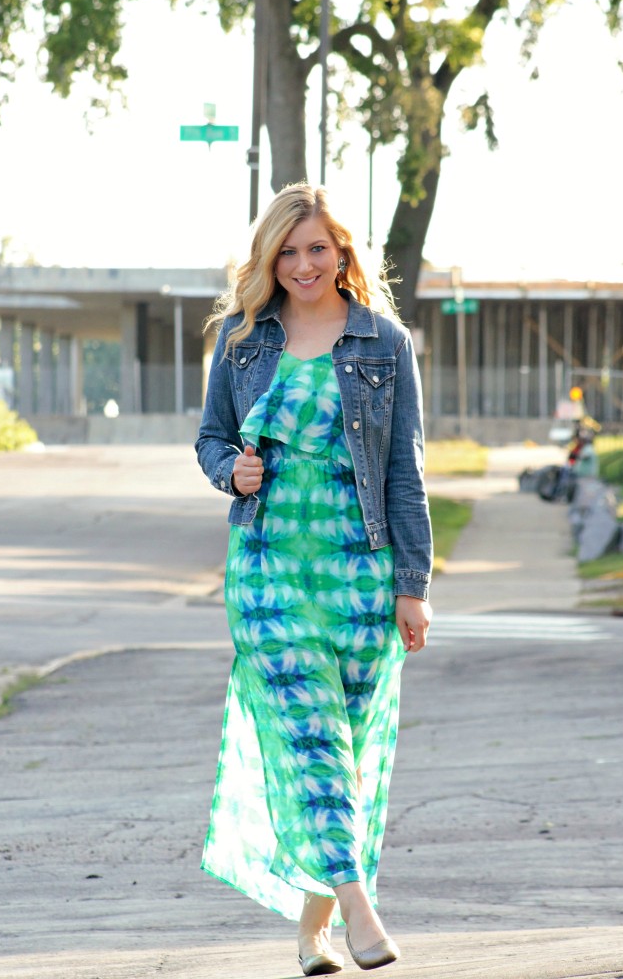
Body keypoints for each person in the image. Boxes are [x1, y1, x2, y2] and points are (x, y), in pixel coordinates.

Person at [195, 183, 433, 975]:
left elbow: (404, 471)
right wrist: (234, 471)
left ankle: (311, 932)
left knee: (346, 757)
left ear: (341, 253)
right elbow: (209, 440)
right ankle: (360, 912)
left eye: (316, 249)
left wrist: (411, 583)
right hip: (266, 573)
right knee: (309, 743)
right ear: (269, 259)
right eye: (286, 251)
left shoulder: (383, 342)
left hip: (358, 575)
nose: (302, 264)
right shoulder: (240, 339)